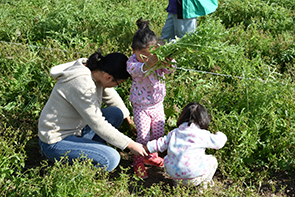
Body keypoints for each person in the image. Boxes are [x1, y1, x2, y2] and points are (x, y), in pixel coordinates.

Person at [38, 50, 148, 172]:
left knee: (117, 113)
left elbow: (110, 95)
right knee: (111, 159)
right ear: (109, 77)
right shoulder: (81, 84)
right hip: (56, 140)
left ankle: (89, 151)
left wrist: (128, 117)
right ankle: (64, 166)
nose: (116, 86)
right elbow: (97, 123)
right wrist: (130, 144)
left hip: (76, 130)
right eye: (118, 83)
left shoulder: (95, 70)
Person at [127, 18, 176, 179]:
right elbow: (137, 71)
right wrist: (149, 63)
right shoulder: (133, 62)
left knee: (158, 134)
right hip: (141, 106)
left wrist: (168, 62)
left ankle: (151, 157)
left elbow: (170, 70)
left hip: (157, 104)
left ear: (156, 49)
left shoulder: (158, 58)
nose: (145, 59)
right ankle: (138, 161)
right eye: (141, 56)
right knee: (143, 136)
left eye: (149, 56)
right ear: (134, 51)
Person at [144, 102, 227, 188]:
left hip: (174, 175)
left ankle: (177, 185)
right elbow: (219, 143)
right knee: (212, 160)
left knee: (174, 161)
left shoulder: (174, 133)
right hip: (194, 177)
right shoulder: (202, 134)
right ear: (204, 119)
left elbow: (158, 144)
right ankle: (204, 186)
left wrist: (144, 148)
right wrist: (220, 134)